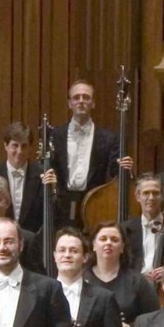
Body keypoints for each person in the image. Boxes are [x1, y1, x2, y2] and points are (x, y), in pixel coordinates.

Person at [53, 78, 121, 225]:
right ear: (69, 103)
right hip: (61, 206)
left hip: (95, 203)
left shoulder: (109, 138)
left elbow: (115, 173)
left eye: (86, 97)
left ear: (93, 103)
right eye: (76, 97)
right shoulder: (55, 136)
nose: (81, 101)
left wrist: (125, 167)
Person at [86, 222, 157, 327]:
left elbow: (155, 318)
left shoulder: (137, 281)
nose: (108, 243)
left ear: (122, 247)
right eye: (103, 239)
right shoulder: (81, 278)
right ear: (94, 245)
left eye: (114, 240)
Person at [128, 175, 164, 279]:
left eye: (155, 193)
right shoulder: (125, 230)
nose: (151, 197)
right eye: (146, 193)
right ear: (137, 197)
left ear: (162, 196)